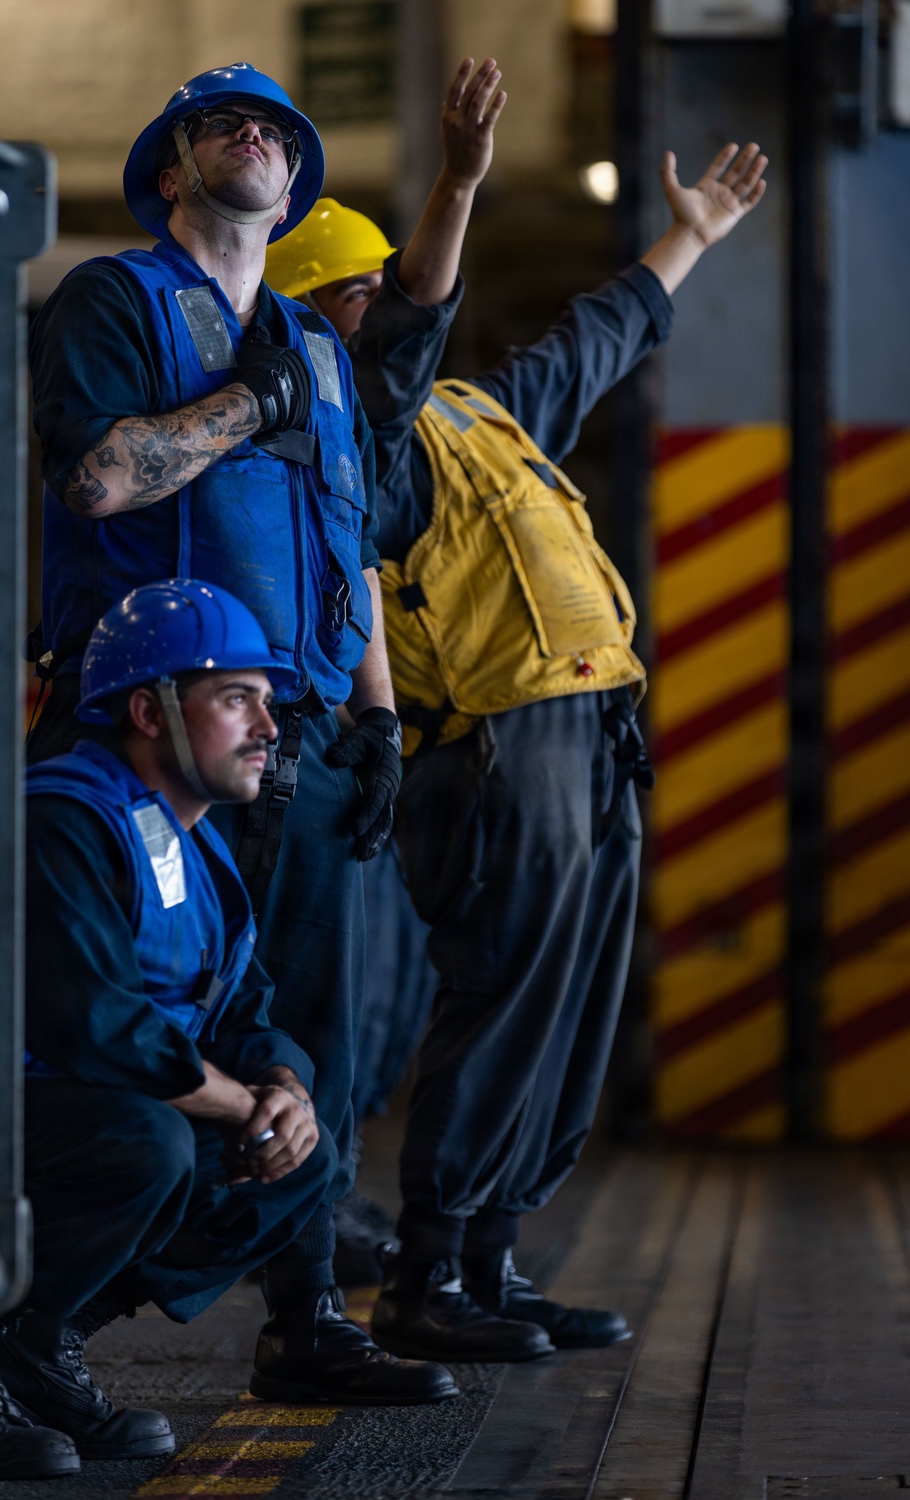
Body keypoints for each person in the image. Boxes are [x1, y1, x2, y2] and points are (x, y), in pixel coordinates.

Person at [265, 61, 768, 1361]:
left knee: (574, 1000)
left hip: (592, 735)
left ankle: (492, 1263)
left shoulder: (481, 413)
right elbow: (410, 331)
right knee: (507, 998)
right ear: (323, 322)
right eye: (359, 294)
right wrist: (460, 182)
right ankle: (431, 1274)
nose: (392, 308)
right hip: (494, 751)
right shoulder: (345, 451)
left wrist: (691, 238)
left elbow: (598, 335)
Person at [26, 64, 449, 1403]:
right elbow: (94, 478)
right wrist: (239, 408)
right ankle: (12, 1330)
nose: (252, 132)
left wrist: (378, 717)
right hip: (148, 734)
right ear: (171, 172)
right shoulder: (118, 299)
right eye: (221, 123)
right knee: (117, 1025)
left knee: (304, 1037)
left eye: (273, 126)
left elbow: (351, 551)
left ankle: (306, 1317)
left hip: (300, 735)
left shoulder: (323, 352)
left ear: (298, 185)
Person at [0, 580, 399, 1483]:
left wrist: (284, 1094)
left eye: (267, 698)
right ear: (148, 709)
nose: (268, 725)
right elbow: (92, 1024)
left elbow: (244, 1007)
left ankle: (38, 1341)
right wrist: (238, 1102)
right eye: (234, 698)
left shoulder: (192, 837)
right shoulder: (65, 820)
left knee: (306, 1159)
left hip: (74, 1121)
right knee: (147, 1145)